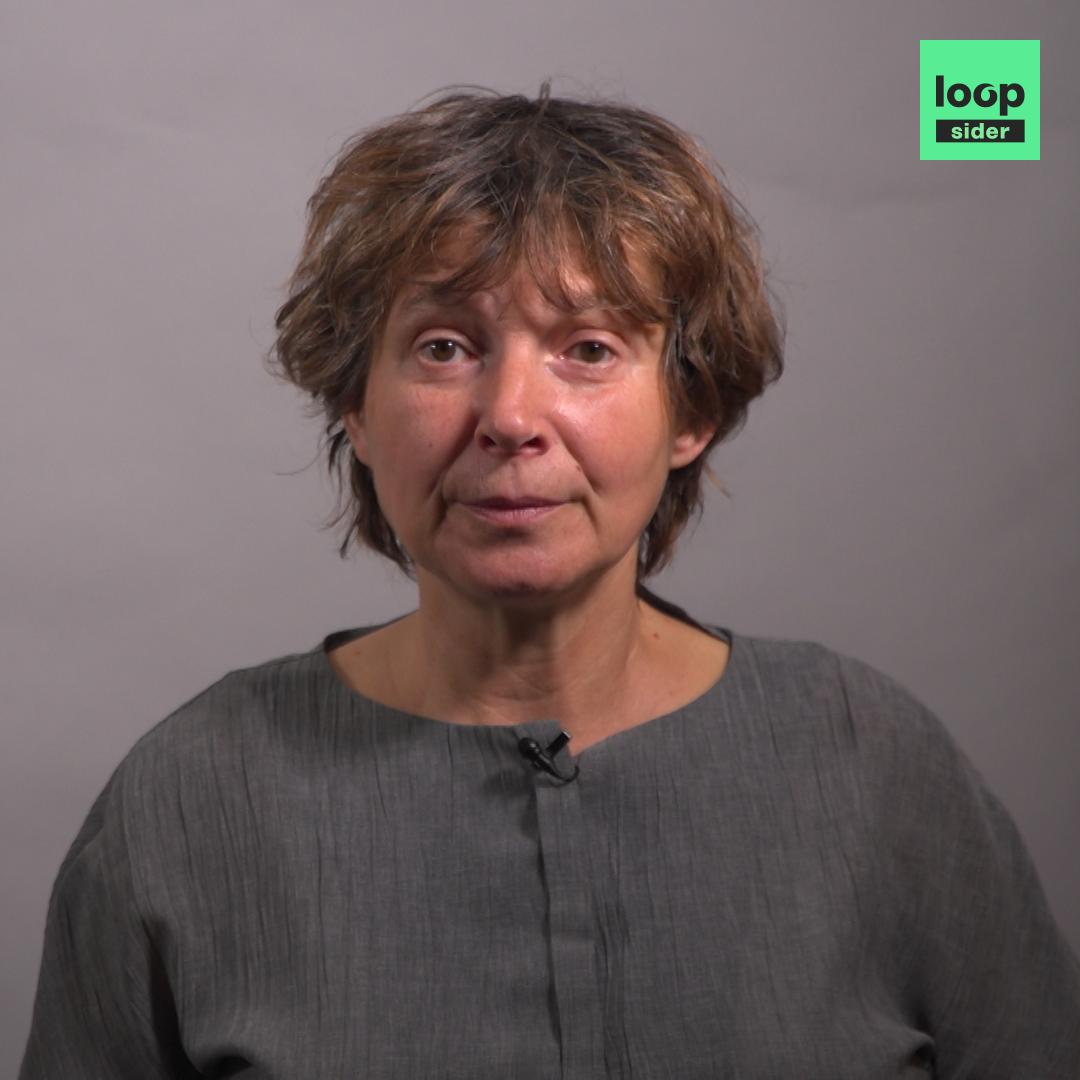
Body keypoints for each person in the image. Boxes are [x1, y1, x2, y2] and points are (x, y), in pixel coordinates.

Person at [19, 83, 1080, 1079]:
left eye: (588, 348)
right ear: (355, 407)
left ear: (692, 410)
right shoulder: (190, 802)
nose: (512, 417)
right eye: (444, 347)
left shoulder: (872, 765)